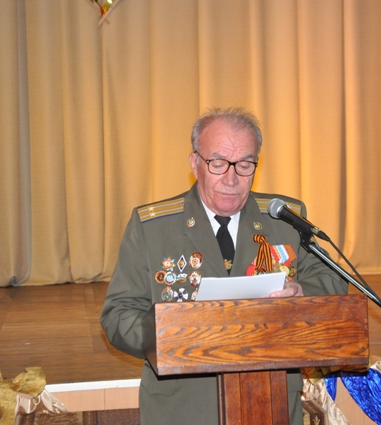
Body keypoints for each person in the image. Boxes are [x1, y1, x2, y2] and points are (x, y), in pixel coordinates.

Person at [101, 107, 348, 424]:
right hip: (184, 409)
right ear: (195, 163)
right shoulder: (153, 227)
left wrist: (302, 295)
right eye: (218, 163)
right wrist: (170, 337)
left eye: (244, 164)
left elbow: (332, 278)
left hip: (270, 403)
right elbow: (118, 314)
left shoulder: (283, 220)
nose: (231, 179)